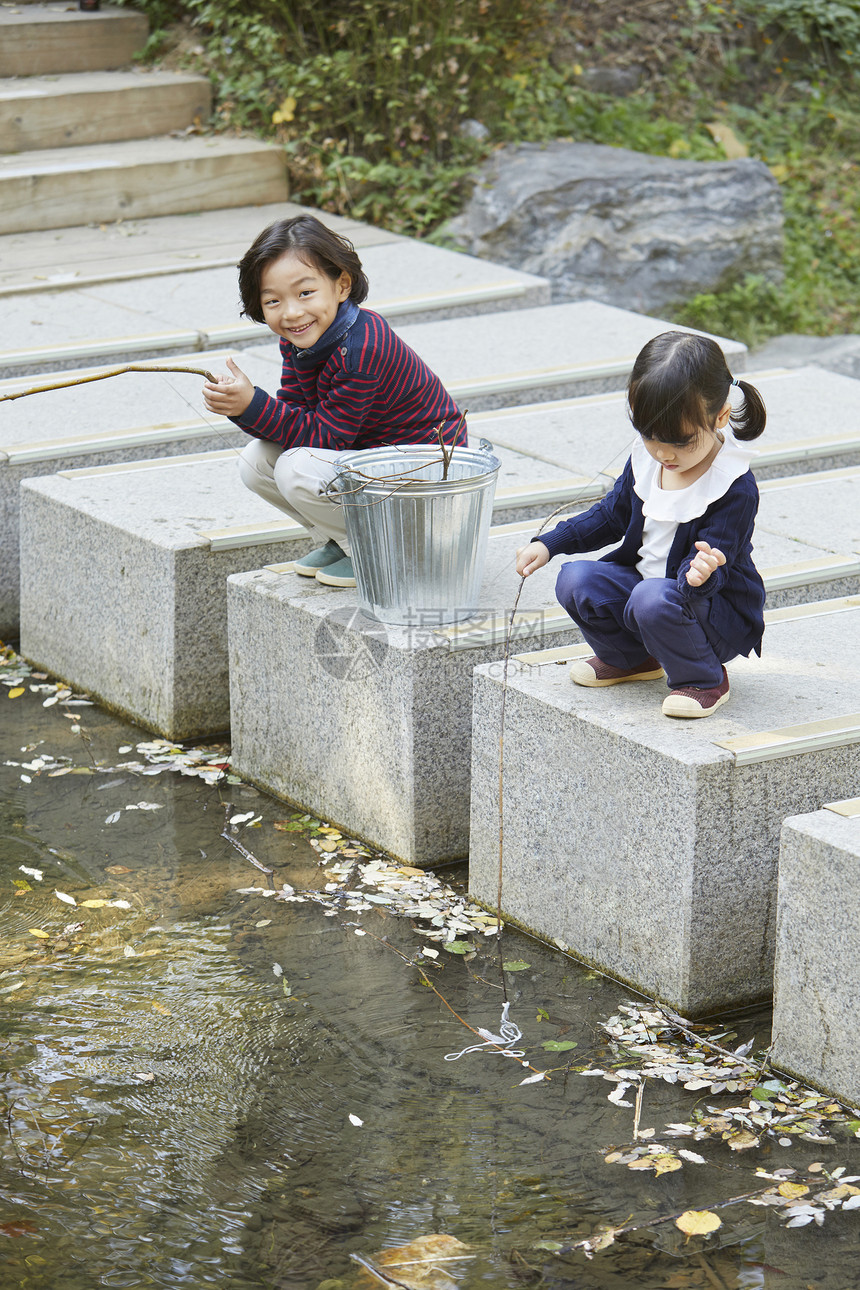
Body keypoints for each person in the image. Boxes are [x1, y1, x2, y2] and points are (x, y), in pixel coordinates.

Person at [515, 330, 767, 718]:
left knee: (650, 598)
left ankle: (704, 677)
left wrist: (701, 572)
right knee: (576, 580)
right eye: (649, 435)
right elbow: (611, 515)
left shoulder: (733, 485)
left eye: (681, 441)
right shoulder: (649, 460)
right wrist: (550, 543)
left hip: (708, 609)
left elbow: (721, 562)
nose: (663, 452)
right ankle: (632, 660)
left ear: (719, 416)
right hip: (648, 599)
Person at [202, 215, 465, 588]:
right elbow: (294, 413)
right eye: (273, 300)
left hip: (424, 473)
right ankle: (342, 541)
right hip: (372, 461)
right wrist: (241, 406)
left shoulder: (361, 347)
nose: (291, 312)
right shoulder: (301, 340)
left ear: (342, 285)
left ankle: (384, 551)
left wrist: (251, 405)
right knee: (256, 460)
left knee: (297, 467)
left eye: (305, 293)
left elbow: (328, 438)